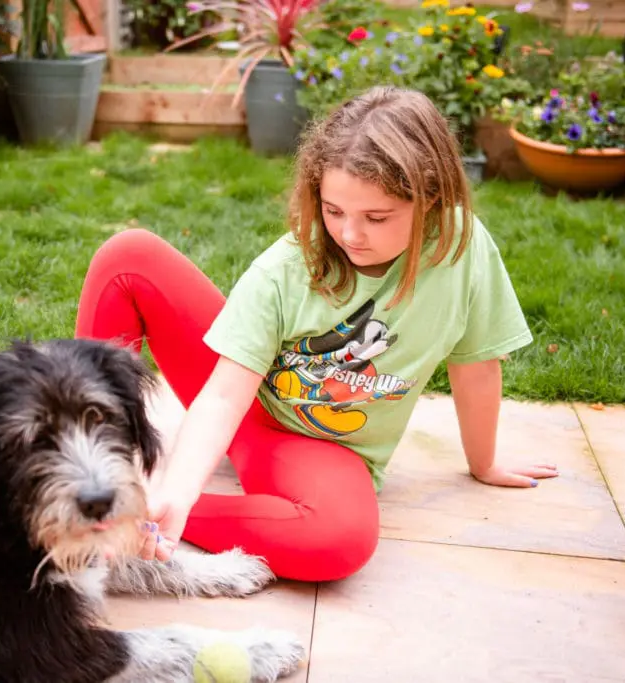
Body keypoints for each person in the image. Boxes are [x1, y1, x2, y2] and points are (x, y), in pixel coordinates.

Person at [73, 85, 558, 583]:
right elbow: (222, 396)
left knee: (338, 538)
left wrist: (485, 463)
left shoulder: (462, 247)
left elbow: (476, 363)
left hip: (319, 447)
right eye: (333, 211)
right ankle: (87, 478)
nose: (349, 234)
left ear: (431, 199)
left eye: (376, 217)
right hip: (243, 394)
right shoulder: (287, 267)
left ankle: (133, 517)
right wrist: (178, 478)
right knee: (128, 257)